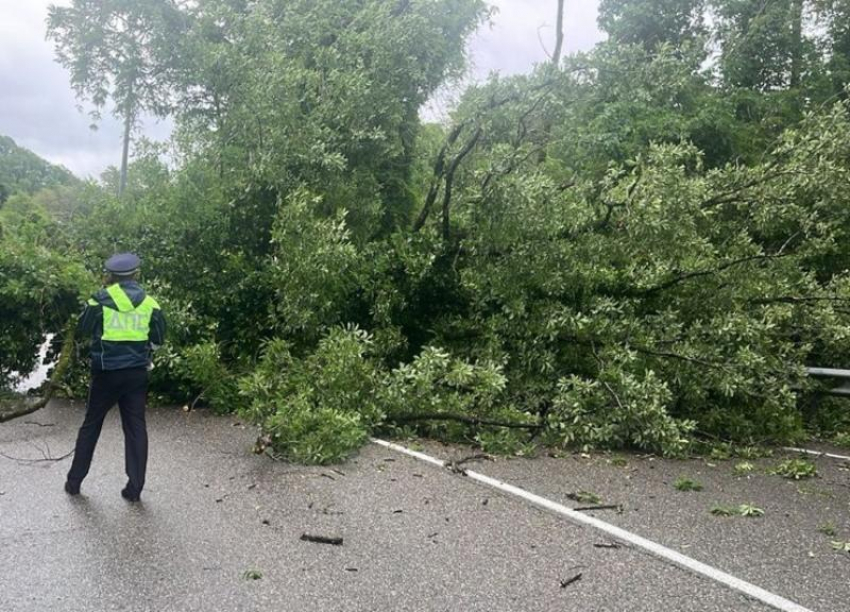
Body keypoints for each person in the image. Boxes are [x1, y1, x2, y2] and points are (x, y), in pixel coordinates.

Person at [65, 253, 166, 502]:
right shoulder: (151, 304)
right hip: (136, 374)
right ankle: (135, 488)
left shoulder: (99, 300)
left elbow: (82, 328)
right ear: (136, 274)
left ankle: (74, 482)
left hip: (106, 373)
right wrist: (143, 353)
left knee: (91, 425)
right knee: (135, 428)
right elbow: (159, 338)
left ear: (110, 275)